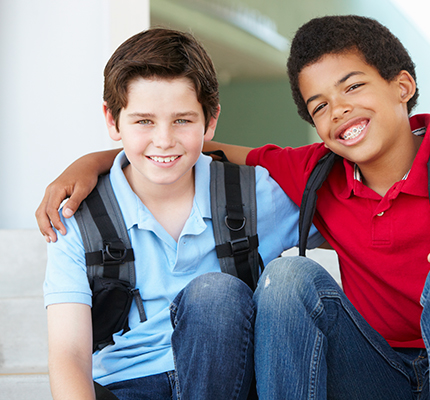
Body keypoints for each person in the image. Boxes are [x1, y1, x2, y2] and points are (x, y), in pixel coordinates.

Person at [35, 16, 430, 400]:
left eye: (354, 86)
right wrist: (93, 162)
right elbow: (187, 150)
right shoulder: (316, 174)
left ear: (404, 85)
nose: (340, 112)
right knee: (286, 278)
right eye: (320, 106)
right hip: (377, 370)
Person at [43, 28, 320, 400]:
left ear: (211, 121)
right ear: (112, 121)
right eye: (143, 121)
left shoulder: (256, 195)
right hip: (128, 386)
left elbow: (355, 214)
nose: (163, 140)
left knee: (214, 294)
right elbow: (69, 356)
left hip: (232, 381)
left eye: (182, 120)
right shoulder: (78, 216)